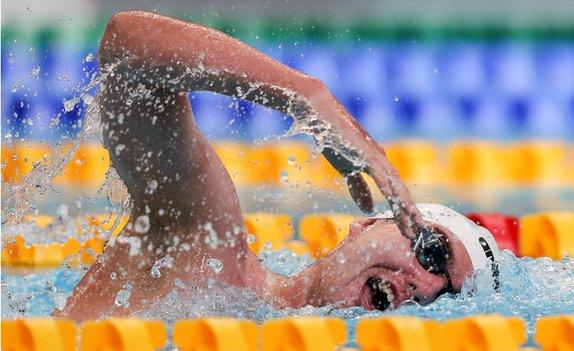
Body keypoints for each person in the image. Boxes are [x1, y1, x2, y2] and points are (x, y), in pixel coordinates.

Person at [53, 11, 500, 322]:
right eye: (433, 251)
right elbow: (125, 45)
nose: (422, 285)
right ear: (367, 226)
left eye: (445, 299)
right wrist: (303, 94)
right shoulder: (204, 249)